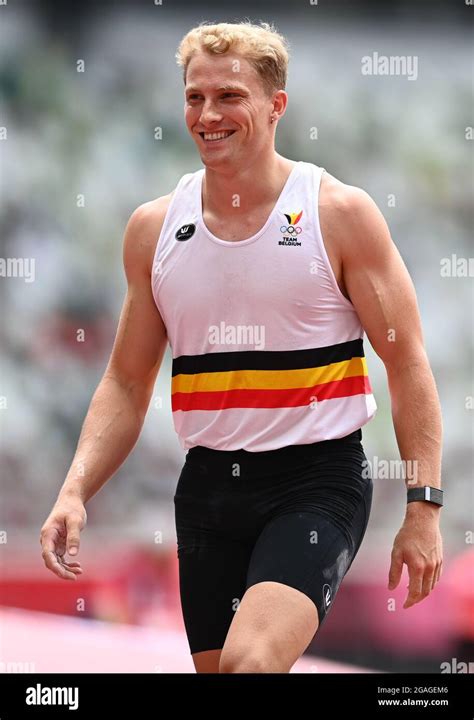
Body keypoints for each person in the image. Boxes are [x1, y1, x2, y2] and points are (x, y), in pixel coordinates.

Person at [40, 21, 444, 674]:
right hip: (207, 489)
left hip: (315, 481)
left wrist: (424, 508)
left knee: (249, 666)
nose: (208, 115)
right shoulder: (154, 229)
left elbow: (407, 362)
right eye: (195, 97)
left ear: (276, 105)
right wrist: (74, 490)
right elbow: (126, 380)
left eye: (229, 97)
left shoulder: (337, 214)